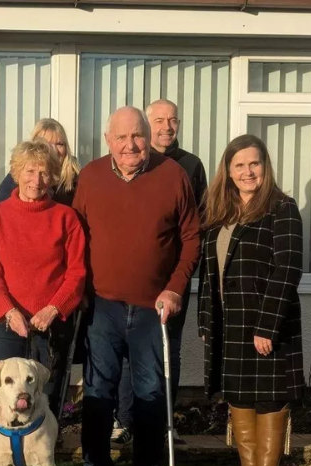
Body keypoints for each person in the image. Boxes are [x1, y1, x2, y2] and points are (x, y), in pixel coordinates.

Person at [73, 106, 200, 466]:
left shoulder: (173, 175)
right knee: (98, 391)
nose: (131, 145)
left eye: (138, 136)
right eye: (122, 137)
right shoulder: (91, 177)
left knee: (150, 392)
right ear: (108, 140)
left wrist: (175, 288)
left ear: (148, 137)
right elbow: (75, 237)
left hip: (153, 307)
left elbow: (192, 238)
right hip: (102, 307)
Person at [0, 139, 86, 466]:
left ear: (54, 176)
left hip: (51, 322)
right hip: (8, 322)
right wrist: (9, 311)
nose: (37, 179)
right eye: (29, 171)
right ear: (17, 173)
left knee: (42, 396)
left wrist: (54, 308)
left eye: (44, 171)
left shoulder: (66, 218)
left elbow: (76, 272)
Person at [197, 134, 303, 466]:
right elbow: (210, 274)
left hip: (265, 327)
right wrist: (207, 320)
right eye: (239, 165)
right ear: (228, 170)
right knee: (239, 400)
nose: (247, 172)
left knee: (270, 401)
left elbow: (287, 269)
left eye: (254, 164)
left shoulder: (282, 208)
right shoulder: (220, 212)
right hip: (229, 325)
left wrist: (268, 326)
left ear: (265, 166)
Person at [112, 99, 208, 446]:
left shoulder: (191, 166)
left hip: (171, 285)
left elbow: (195, 228)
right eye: (159, 120)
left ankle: (166, 423)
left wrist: (182, 280)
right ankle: (124, 420)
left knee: (169, 354)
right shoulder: (127, 164)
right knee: (126, 355)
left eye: (173, 120)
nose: (167, 126)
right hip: (129, 287)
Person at [0, 118, 81, 206]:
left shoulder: (76, 180)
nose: (54, 150)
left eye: (59, 144)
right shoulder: (19, 178)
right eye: (47, 144)